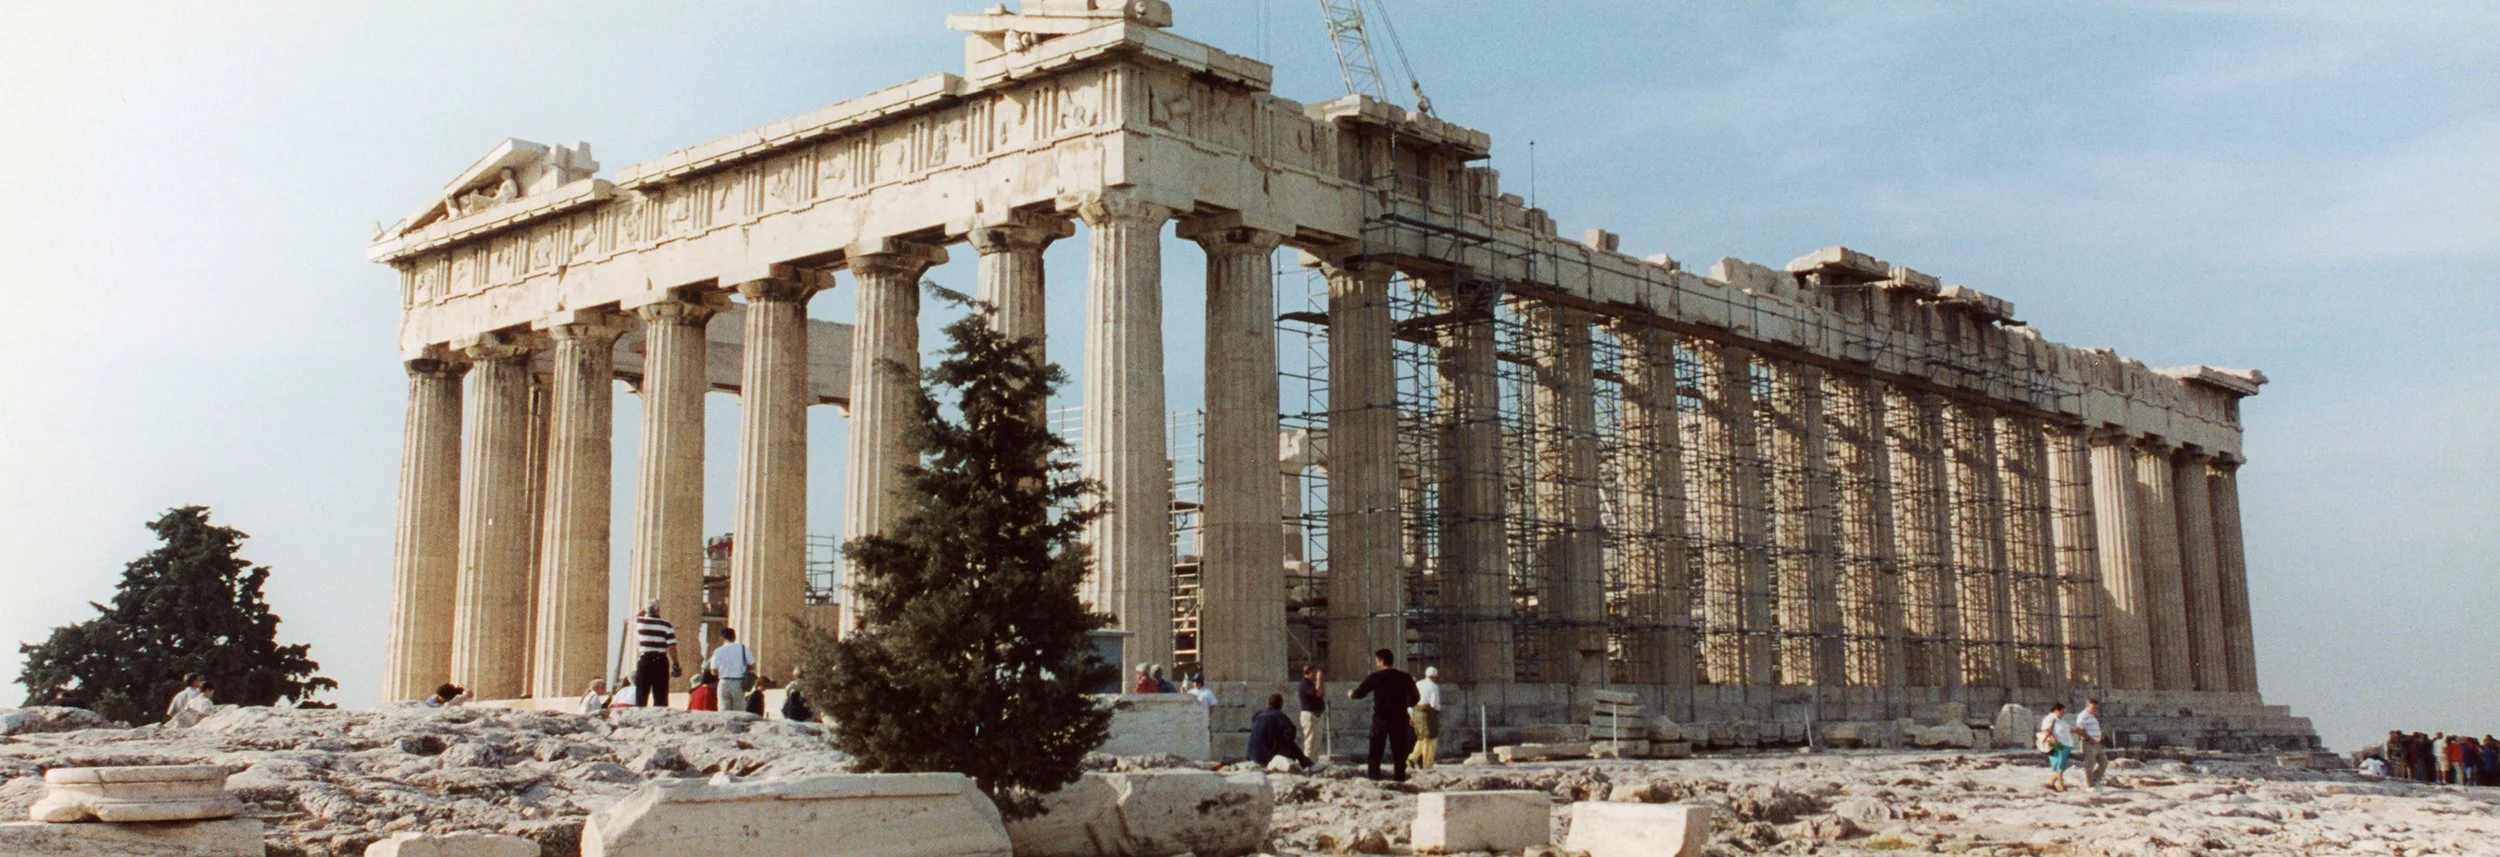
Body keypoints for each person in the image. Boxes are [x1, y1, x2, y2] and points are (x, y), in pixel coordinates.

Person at [1348, 649, 1420, 782]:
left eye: (1377, 661)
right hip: (1399, 718)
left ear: (1381, 661)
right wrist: (1404, 705)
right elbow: (1415, 697)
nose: (1376, 664)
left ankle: (1374, 778)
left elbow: (1361, 692)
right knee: (1399, 752)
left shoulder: (1375, 677)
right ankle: (1399, 778)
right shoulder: (1404, 677)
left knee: (1375, 751)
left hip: (1381, 718)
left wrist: (1352, 694)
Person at [631, 601, 684, 708]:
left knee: (641, 693)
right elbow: (672, 647)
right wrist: (676, 664)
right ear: (658, 610)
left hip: (644, 660)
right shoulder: (666, 625)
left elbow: (637, 616)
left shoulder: (640, 622)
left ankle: (639, 713)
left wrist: (645, 608)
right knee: (661, 694)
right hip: (660, 660)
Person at [1247, 693, 1312, 769]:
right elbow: (1291, 732)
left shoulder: (1259, 716)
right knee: (1292, 745)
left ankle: (1305, 762)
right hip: (1266, 757)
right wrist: (1281, 745)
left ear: (1269, 704)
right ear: (1281, 705)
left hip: (1252, 755)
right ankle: (1306, 763)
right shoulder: (1278, 715)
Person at [708, 628, 756, 710]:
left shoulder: (718, 651)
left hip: (724, 682)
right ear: (734, 637)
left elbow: (713, 672)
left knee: (723, 708)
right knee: (739, 709)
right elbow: (753, 665)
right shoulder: (743, 648)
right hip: (738, 682)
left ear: (722, 638)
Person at [1408, 666, 1442, 770]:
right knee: (1430, 739)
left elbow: (1411, 702)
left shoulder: (1418, 684)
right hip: (1427, 714)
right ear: (1435, 676)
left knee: (1421, 737)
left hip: (1416, 712)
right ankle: (1427, 764)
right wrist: (1438, 711)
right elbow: (1434, 704)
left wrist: (1412, 716)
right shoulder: (1433, 687)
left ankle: (1412, 758)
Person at [2037, 703, 2077, 792]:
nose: (2064, 713)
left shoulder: (2061, 720)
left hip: (2066, 744)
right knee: (2060, 765)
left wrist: (2079, 731)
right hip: (2057, 744)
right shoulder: (2050, 718)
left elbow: (2068, 730)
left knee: (2062, 765)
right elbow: (2045, 730)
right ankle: (2062, 786)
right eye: (2062, 711)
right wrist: (2052, 738)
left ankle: (2051, 784)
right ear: (2056, 710)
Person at [2075, 698, 2108, 789]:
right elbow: (2079, 730)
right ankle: (2089, 785)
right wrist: (2090, 739)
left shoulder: (2092, 716)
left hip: (2097, 743)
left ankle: (2095, 779)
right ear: (2087, 706)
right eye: (2093, 708)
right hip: (2088, 743)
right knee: (2090, 763)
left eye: (2096, 708)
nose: (2095, 710)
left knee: (2104, 762)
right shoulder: (2083, 716)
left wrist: (2099, 735)